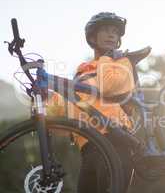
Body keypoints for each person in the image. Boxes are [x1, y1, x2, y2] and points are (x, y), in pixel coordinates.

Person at [47, 12, 151, 193]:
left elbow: (110, 86)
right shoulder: (82, 72)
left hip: (115, 140)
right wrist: (44, 99)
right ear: (93, 37)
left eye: (115, 32)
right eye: (106, 30)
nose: (112, 35)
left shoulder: (122, 61)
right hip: (88, 148)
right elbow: (62, 116)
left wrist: (107, 57)